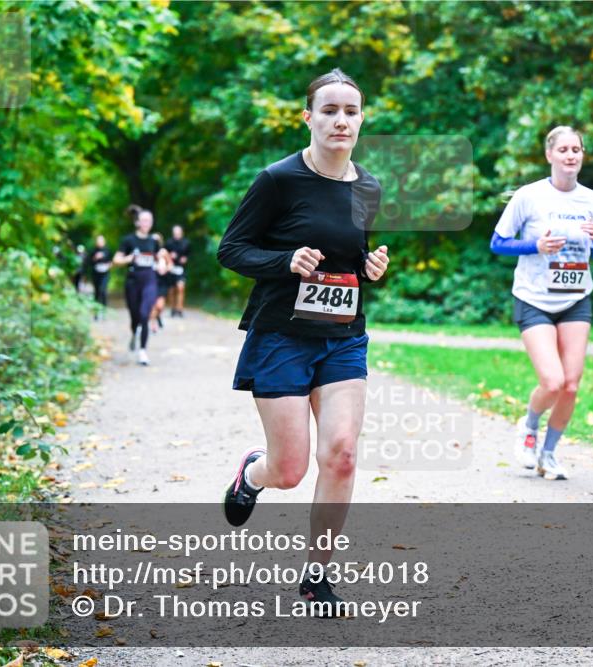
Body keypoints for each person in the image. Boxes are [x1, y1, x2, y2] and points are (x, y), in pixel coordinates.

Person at [217, 68, 388, 615]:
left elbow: (349, 256)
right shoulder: (278, 180)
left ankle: (317, 578)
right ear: (308, 116)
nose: (341, 121)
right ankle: (254, 473)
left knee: (341, 454)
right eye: (330, 110)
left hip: (343, 336)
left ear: (361, 119)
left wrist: (370, 266)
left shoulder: (368, 187)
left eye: (351, 112)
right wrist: (285, 261)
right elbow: (231, 250)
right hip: (281, 337)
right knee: (289, 471)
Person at [490, 125, 593, 480]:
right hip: (534, 298)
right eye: (563, 149)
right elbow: (498, 243)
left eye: (576, 149)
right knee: (553, 381)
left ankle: (549, 454)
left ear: (582, 155)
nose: (570, 155)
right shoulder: (529, 196)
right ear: (549, 155)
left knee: (571, 385)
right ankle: (529, 426)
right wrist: (536, 246)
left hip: (576, 299)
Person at [112, 205, 161, 366]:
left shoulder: (154, 241)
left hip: (150, 280)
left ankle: (143, 351)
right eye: (144, 220)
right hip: (133, 281)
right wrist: (129, 258)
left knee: (144, 314)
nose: (146, 223)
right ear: (137, 222)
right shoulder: (128, 240)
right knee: (135, 316)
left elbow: (160, 257)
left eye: (149, 221)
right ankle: (134, 333)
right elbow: (116, 260)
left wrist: (161, 264)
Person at [164, 225, 190, 317]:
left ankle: (180, 309)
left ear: (182, 233)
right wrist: (169, 256)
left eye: (178, 233)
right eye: (175, 233)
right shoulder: (168, 243)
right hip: (170, 268)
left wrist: (185, 258)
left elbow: (189, 254)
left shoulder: (186, 243)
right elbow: (163, 254)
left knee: (180, 287)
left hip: (181, 268)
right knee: (171, 290)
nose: (177, 234)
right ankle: (173, 308)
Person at [150, 246, 175, 332]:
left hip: (163, 285)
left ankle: (158, 316)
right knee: (153, 306)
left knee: (160, 306)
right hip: (153, 284)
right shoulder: (153, 261)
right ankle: (153, 324)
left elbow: (170, 269)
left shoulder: (168, 263)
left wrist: (165, 268)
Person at [88, 235, 113, 317]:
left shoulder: (108, 250)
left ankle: (104, 310)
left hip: (105, 273)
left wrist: (109, 265)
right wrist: (95, 258)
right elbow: (88, 262)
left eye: (101, 241)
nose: (99, 243)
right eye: (98, 241)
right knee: (97, 292)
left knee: (103, 291)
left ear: (104, 242)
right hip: (96, 274)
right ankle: (96, 312)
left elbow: (112, 261)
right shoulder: (93, 251)